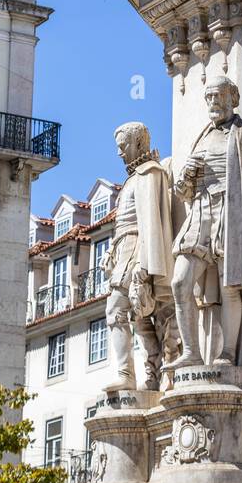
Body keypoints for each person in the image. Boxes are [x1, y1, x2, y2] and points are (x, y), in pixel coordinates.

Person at [169, 78, 242, 367]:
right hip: (201, 211)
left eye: (218, 96)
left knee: (231, 285)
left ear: (233, 98)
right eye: (208, 97)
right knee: (180, 282)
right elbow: (184, 193)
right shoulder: (202, 136)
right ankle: (191, 352)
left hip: (233, 211)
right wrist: (184, 179)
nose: (212, 102)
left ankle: (227, 352)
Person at [103, 121, 175, 393]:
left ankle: (127, 374)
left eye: (123, 146)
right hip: (124, 250)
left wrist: (145, 264)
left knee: (117, 310)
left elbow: (149, 222)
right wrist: (111, 250)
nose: (120, 152)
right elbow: (125, 224)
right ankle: (151, 377)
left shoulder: (149, 173)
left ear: (139, 144)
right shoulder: (134, 178)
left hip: (136, 252)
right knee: (142, 318)